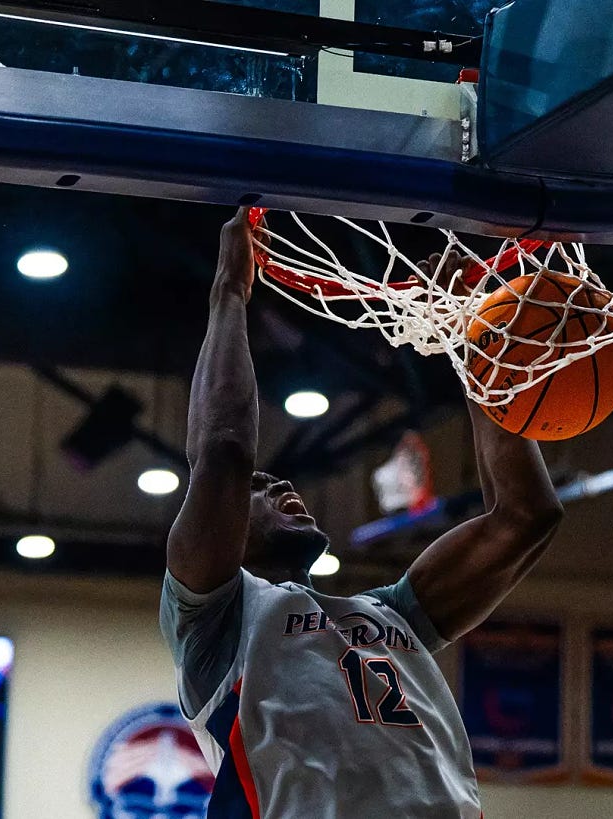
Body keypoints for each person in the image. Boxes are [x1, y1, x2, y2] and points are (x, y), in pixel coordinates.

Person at [160, 208, 564, 818]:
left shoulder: (390, 616)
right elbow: (222, 452)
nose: (278, 485)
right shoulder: (214, 624)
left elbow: (526, 516)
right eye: (260, 486)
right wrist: (229, 293)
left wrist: (473, 337)